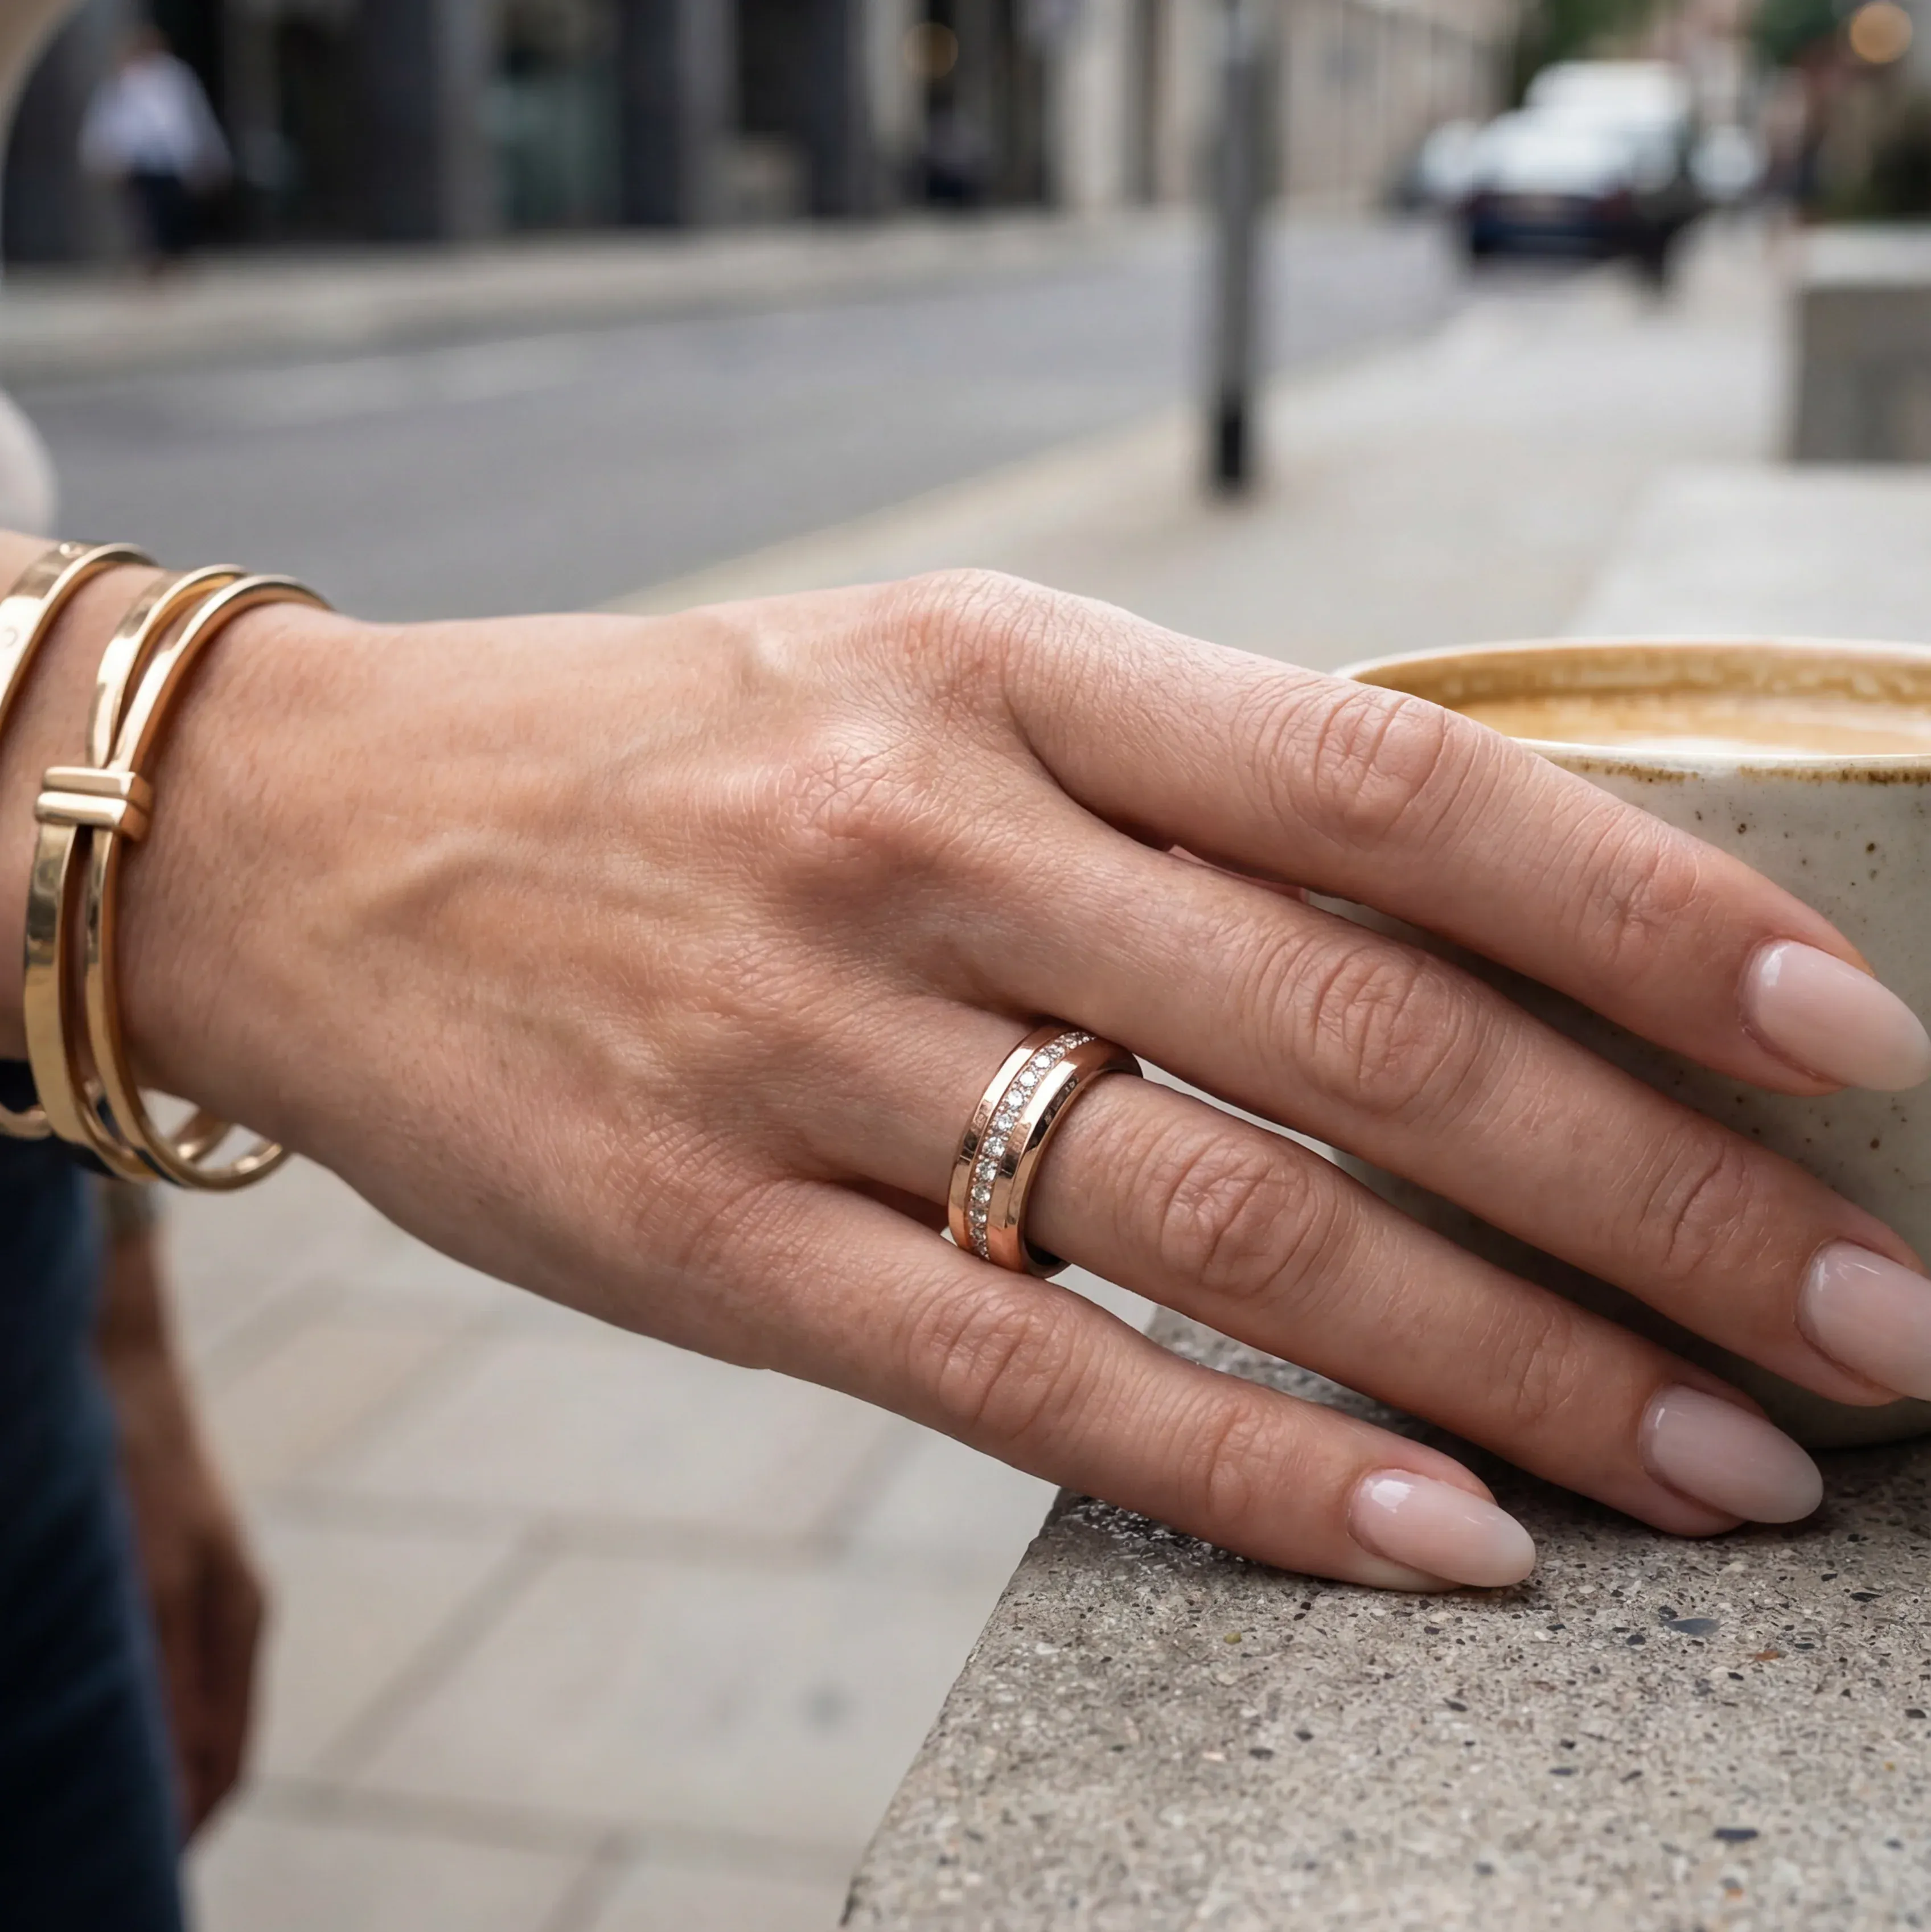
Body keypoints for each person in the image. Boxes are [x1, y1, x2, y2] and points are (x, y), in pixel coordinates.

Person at [80, 24, 229, 273]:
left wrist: (210, 155)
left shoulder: (175, 78)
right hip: (138, 160)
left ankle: (174, 257)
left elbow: (194, 119)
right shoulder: (122, 81)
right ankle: (153, 259)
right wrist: (102, 154)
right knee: (146, 213)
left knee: (174, 210)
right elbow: (107, 121)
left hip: (171, 159)